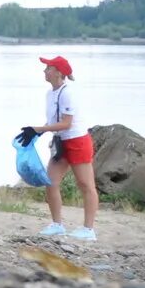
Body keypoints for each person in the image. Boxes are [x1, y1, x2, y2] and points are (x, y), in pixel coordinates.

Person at [23, 54, 97, 242]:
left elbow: (66, 124)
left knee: (85, 185)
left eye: (48, 68)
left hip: (77, 141)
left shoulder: (68, 93)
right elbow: (52, 122)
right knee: (50, 182)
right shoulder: (50, 93)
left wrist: (39, 129)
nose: (44, 71)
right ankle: (57, 225)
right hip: (61, 143)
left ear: (58, 72)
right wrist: (34, 133)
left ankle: (89, 229)